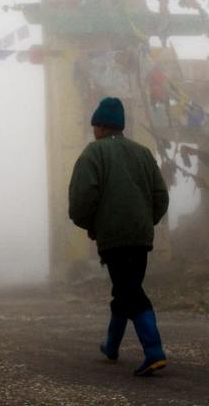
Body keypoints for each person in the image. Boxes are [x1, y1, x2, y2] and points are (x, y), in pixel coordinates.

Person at [69, 97, 170, 376]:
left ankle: (154, 351)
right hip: (140, 236)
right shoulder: (143, 153)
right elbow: (161, 197)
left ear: (101, 127)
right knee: (124, 288)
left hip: (114, 237)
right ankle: (111, 346)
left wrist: (91, 224)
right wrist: (145, 222)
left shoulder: (93, 154)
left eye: (94, 126)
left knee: (129, 290)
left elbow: (81, 199)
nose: (93, 131)